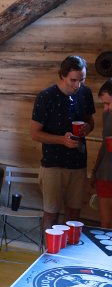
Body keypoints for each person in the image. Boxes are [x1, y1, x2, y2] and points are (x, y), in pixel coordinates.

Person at [30, 55, 95, 231]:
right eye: (73, 80)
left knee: (74, 214)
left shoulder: (85, 93)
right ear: (62, 75)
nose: (78, 85)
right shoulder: (46, 96)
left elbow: (91, 122)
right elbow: (35, 134)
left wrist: (88, 128)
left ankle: (70, 247)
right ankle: (49, 248)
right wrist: (61, 140)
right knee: (51, 213)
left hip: (78, 162)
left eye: (82, 79)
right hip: (53, 164)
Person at [90, 79, 112, 228]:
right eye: (104, 104)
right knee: (106, 223)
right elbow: (104, 145)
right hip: (106, 174)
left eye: (108, 103)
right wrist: (94, 171)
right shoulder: (107, 115)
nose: (105, 108)